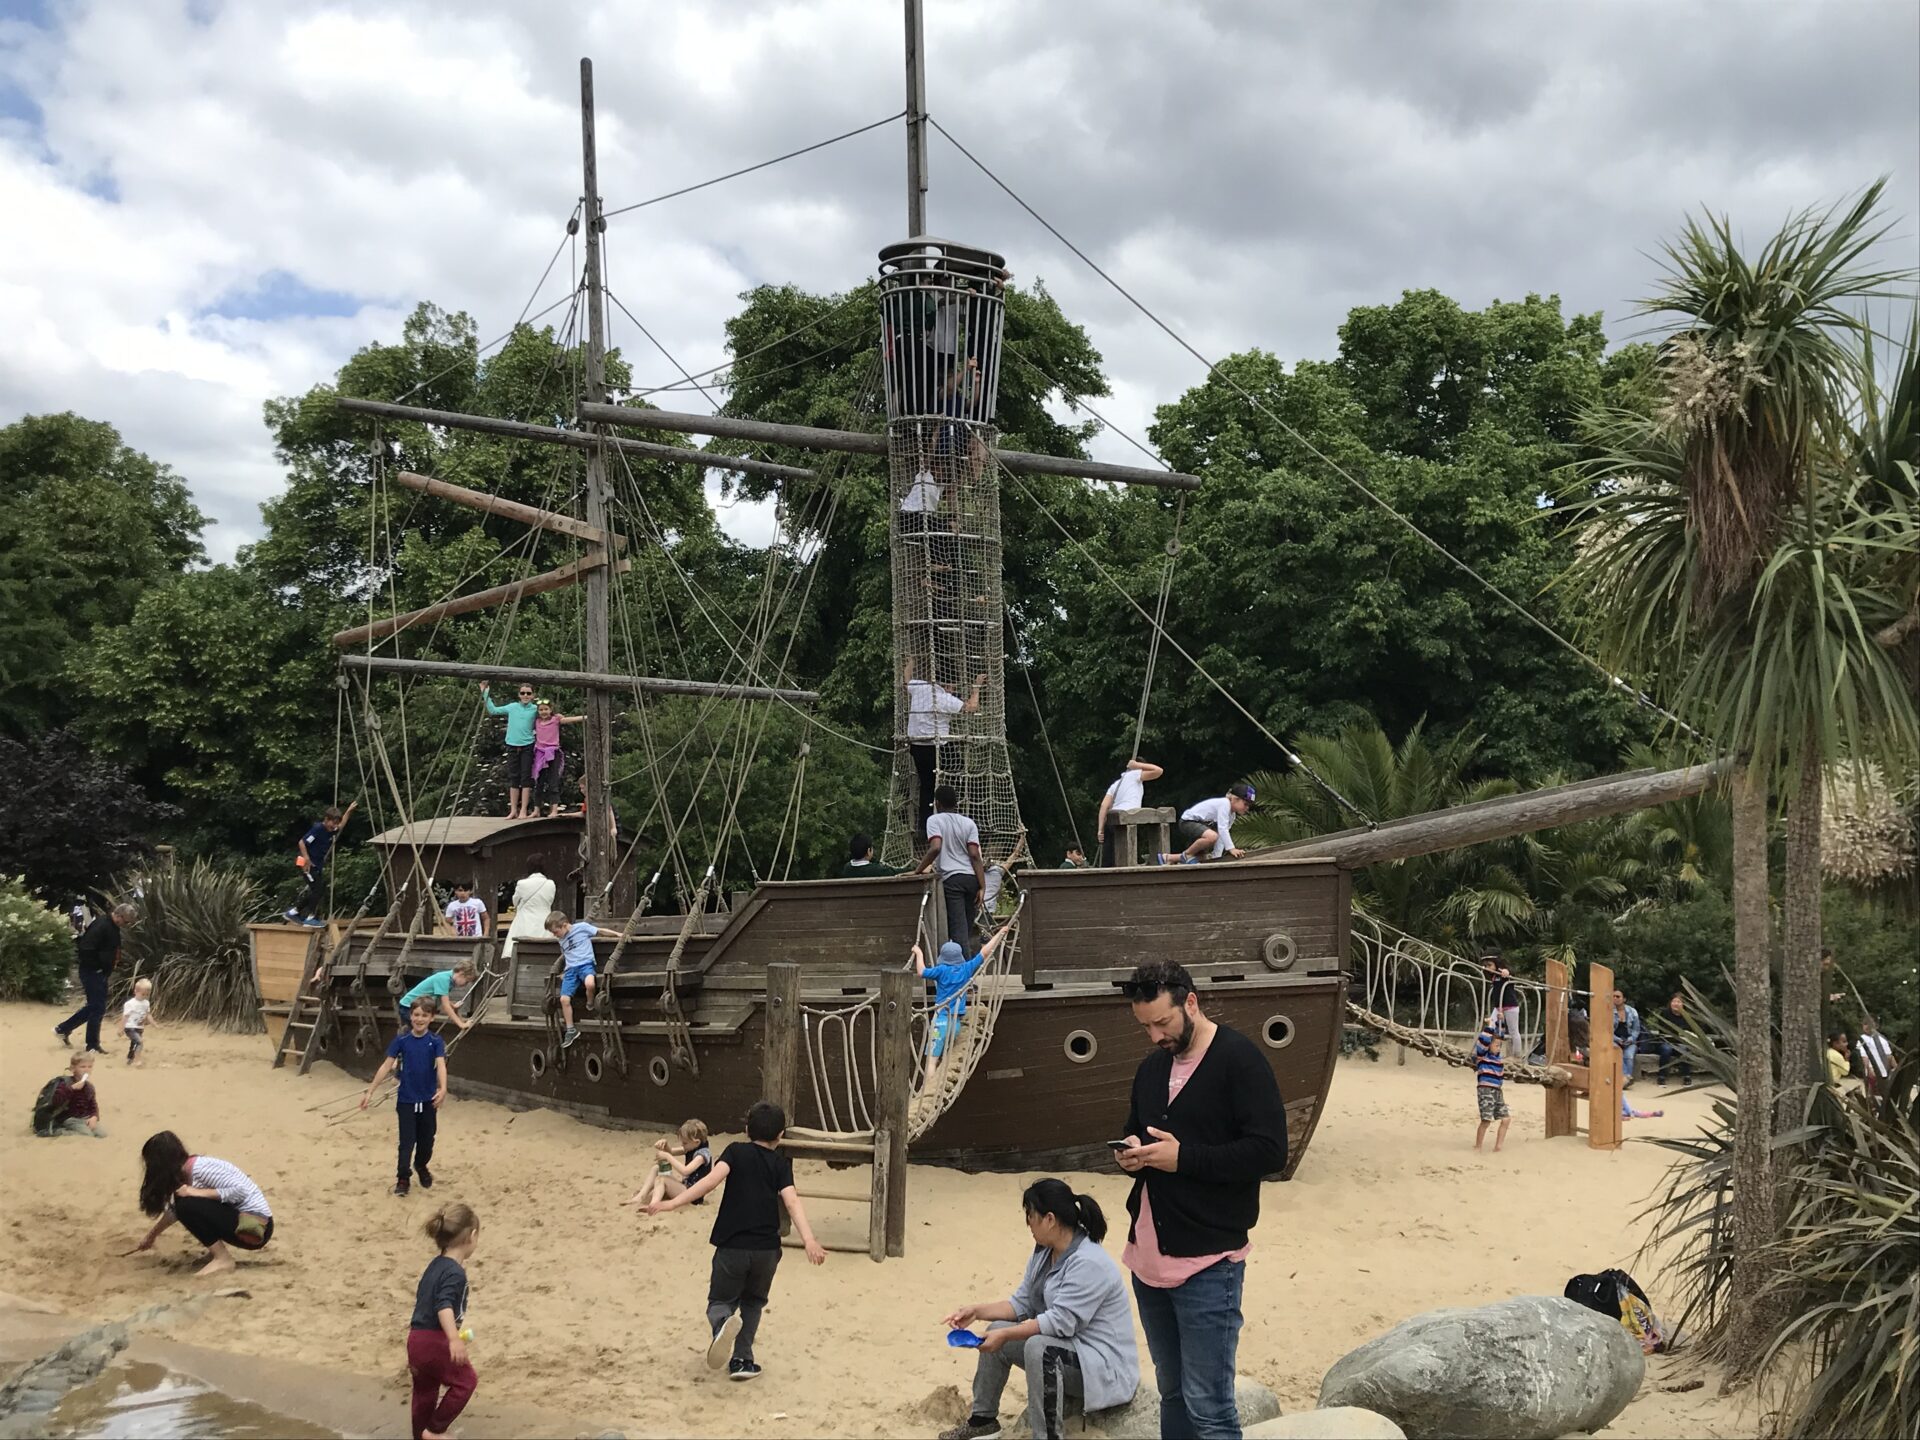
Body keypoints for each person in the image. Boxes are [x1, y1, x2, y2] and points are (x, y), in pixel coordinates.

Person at [1114, 961, 1287, 1440]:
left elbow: (1271, 1152)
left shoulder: (1240, 1060)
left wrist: (1183, 1159)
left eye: (1162, 1023)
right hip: (1147, 1260)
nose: (1154, 1036)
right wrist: (1131, 1154)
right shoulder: (1151, 1068)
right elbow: (1136, 1127)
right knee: (1172, 1393)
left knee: (1210, 1408)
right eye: (1145, 1025)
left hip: (1209, 1262)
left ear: (1190, 1002)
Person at [939, 1179, 1141, 1440]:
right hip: (1067, 1351)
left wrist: (1007, 1336)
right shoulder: (1045, 1251)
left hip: (1102, 1366)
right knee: (996, 1329)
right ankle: (983, 1421)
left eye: (1030, 1216)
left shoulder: (1090, 1262)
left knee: (1038, 1347)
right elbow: (1021, 1303)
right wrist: (976, 1311)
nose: (1028, 1224)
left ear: (1049, 1219)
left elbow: (1060, 1323)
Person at [646, 1100, 827, 1382]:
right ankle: (742, 1360)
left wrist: (672, 1204)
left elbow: (708, 1183)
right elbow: (792, 1202)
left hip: (732, 1245)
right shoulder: (780, 1164)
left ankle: (721, 1326)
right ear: (780, 1135)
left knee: (720, 1300)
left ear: (746, 1130)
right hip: (767, 1250)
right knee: (753, 1302)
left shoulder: (735, 1151)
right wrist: (809, 1240)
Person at [132, 1131, 273, 1277]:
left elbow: (240, 1191)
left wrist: (195, 1192)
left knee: (186, 1205)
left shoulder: (200, 1169)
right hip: (241, 1220)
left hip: (255, 1227)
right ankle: (218, 1255)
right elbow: (175, 1211)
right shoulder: (185, 1172)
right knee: (184, 1204)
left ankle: (222, 1259)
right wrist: (151, 1236)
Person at [362, 999, 450, 1197]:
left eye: (424, 1015)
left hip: (428, 1100)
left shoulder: (435, 1042)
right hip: (406, 1101)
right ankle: (403, 1178)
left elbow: (441, 1065)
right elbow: (386, 1066)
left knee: (427, 1141)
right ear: (411, 1016)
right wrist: (370, 1091)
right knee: (406, 1142)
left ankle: (421, 1165)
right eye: (416, 1015)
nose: (419, 1019)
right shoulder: (401, 1041)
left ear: (431, 1018)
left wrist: (442, 1089)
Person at [913, 921, 1015, 1087]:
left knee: (932, 1060)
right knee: (947, 1058)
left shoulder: (940, 971)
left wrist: (918, 953)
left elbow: (921, 972)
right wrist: (1000, 934)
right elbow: (985, 952)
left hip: (941, 1021)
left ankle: (928, 1090)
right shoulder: (966, 969)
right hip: (956, 1024)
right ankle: (940, 1089)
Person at [409, 1202, 480, 1440]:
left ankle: (421, 1435)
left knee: (424, 1393)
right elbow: (444, 1306)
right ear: (472, 1236)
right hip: (435, 1340)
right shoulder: (454, 1272)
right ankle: (435, 1430)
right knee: (466, 1382)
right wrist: (453, 1339)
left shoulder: (435, 1265)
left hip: (416, 1339)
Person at [905, 658, 985, 839]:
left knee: (926, 785)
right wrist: (976, 687)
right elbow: (971, 707)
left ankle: (924, 827)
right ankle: (965, 815)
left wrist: (910, 662)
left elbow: (906, 681)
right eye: (953, 687)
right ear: (948, 685)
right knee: (960, 774)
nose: (954, 690)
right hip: (937, 747)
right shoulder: (945, 699)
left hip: (917, 745)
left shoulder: (921, 687)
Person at [55, 901, 137, 1053]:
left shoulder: (113, 927)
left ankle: (63, 1029)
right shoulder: (101, 925)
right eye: (125, 921)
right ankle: (92, 1044)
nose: (126, 924)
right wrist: (98, 967)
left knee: (95, 1006)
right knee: (97, 1007)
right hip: (92, 972)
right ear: (118, 915)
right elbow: (86, 948)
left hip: (100, 972)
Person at [917, 784, 986, 950]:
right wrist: (983, 886)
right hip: (971, 879)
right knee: (967, 930)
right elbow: (975, 855)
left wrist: (919, 869)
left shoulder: (934, 820)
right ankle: (968, 968)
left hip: (951, 880)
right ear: (956, 803)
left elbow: (936, 847)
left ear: (937, 803)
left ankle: (962, 974)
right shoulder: (968, 823)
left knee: (958, 932)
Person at [546, 911, 624, 1049]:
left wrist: (618, 935)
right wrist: (565, 970)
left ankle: (590, 1002)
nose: (554, 935)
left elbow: (600, 931)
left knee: (590, 983)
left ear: (564, 925)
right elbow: (566, 954)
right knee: (564, 999)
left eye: (555, 931)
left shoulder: (581, 927)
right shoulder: (561, 939)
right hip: (571, 970)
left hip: (585, 965)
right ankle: (571, 1030)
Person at [281, 801, 358, 927]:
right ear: (326, 819)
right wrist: (306, 859)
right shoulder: (318, 829)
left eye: (336, 823)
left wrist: (349, 811)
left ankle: (294, 912)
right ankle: (310, 917)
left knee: (317, 890)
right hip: (307, 865)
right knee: (317, 890)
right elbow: (302, 842)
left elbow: (342, 824)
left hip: (316, 866)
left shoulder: (331, 830)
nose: (335, 826)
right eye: (333, 822)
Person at [623, 1118, 715, 1210]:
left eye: (685, 1143)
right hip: (685, 1188)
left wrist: (667, 1157)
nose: (682, 1145)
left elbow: (685, 1171)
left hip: (693, 1195)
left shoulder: (702, 1155)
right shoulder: (692, 1147)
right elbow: (671, 1151)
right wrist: (665, 1145)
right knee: (657, 1168)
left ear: (696, 1142)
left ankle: (654, 1205)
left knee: (662, 1179)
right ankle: (640, 1197)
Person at [479, 680, 539, 820]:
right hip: (512, 745)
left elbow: (548, 715)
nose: (525, 695)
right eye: (522, 693)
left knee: (525, 778)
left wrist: (558, 717)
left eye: (528, 693)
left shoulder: (535, 709)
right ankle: (513, 810)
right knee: (513, 778)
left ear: (532, 695)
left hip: (527, 745)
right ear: (519, 695)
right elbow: (493, 710)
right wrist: (485, 691)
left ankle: (523, 809)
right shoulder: (512, 707)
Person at [1159, 783, 1255, 865]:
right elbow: (1222, 829)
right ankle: (1187, 854)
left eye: (1249, 805)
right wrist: (1232, 849)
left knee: (1203, 857)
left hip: (1203, 825)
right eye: (1245, 804)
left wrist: (1217, 857)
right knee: (1212, 836)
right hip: (1188, 822)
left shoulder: (1232, 815)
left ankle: (1168, 858)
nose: (1247, 808)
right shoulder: (1225, 804)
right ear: (1235, 799)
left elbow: (1222, 836)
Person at [1096, 758, 1165, 868]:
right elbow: (1158, 771)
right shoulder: (1135, 775)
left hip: (1112, 819)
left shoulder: (1116, 783)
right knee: (1125, 854)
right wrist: (1137, 765)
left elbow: (1104, 806)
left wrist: (1100, 829)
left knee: (1109, 855)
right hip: (1126, 819)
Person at [530, 699, 585, 817]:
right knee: (538, 782)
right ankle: (536, 810)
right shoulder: (536, 722)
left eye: (546, 709)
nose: (544, 712)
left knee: (553, 782)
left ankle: (554, 809)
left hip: (553, 753)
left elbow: (569, 720)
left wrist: (584, 717)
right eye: (541, 710)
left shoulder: (555, 720)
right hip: (540, 754)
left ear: (551, 710)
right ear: (538, 711)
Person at [397, 960, 479, 1033]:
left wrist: (453, 1006)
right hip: (408, 1007)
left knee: (420, 1033)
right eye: (467, 981)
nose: (466, 984)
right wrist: (461, 1024)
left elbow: (442, 997)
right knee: (420, 1034)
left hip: (418, 1007)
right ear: (461, 974)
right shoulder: (444, 979)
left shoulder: (449, 980)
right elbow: (445, 1005)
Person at [36, 1053, 105, 1137]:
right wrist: (72, 1089)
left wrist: (94, 1117)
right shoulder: (64, 1084)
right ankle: (59, 1132)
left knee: (102, 1134)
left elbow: (93, 1105)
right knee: (86, 1134)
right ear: (73, 1069)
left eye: (89, 1067)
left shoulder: (89, 1087)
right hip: (69, 1118)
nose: (86, 1070)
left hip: (85, 1118)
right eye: (82, 1067)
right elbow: (56, 1101)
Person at [1471, 1021, 1510, 1153]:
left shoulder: (1498, 1058)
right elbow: (1483, 1041)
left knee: (1506, 1119)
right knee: (1486, 1120)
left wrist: (1500, 1021)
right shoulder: (1483, 1056)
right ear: (1488, 1046)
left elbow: (1500, 1035)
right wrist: (1490, 1025)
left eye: (1500, 1046)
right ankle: (1478, 1146)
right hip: (1486, 1089)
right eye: (1496, 1045)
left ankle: (1498, 1146)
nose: (1499, 1048)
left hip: (1497, 1091)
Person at [502, 870, 556, 961]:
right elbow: (551, 901)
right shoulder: (550, 884)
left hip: (525, 921)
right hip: (545, 921)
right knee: (545, 951)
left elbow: (515, 901)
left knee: (520, 950)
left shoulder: (522, 884)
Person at [1481, 954, 1521, 1057]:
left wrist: (1507, 972)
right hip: (1498, 1007)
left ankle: (1517, 1056)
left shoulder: (1503, 973)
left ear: (1496, 964)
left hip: (1510, 1006)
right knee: (1491, 1027)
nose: (1487, 968)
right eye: (1486, 966)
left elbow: (1511, 973)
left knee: (1513, 1031)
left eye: (1489, 965)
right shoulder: (1493, 976)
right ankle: (1486, 1051)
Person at [1655, 994, 1692, 1086]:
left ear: (1683, 1004)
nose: (1676, 1004)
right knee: (1666, 1049)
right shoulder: (1664, 1013)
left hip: (1682, 1042)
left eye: (1679, 1002)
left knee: (1685, 1050)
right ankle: (1662, 1076)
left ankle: (1686, 1075)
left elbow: (1689, 1031)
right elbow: (1663, 1029)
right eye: (1674, 1001)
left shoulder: (1687, 1016)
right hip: (1666, 1041)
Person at [1856, 1016, 1895, 1105]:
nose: (1867, 1026)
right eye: (1865, 1024)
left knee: (1884, 1093)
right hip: (1872, 1071)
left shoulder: (1882, 1039)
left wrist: (1896, 1068)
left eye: (1870, 1024)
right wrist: (1869, 1069)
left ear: (1876, 1026)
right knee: (1871, 1094)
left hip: (1884, 1071)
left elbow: (1889, 1055)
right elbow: (1864, 1056)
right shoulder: (1862, 1039)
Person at [1612, 990, 1641, 1087]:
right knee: (1617, 1053)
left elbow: (1636, 1029)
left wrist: (1631, 1039)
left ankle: (1626, 1079)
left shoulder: (1632, 1012)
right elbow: (1606, 1030)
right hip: (1614, 1040)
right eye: (1613, 996)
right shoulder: (1608, 1011)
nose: (1615, 998)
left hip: (1629, 1040)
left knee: (1628, 1056)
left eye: (1617, 996)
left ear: (1624, 999)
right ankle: (1626, 1078)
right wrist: (1617, 1039)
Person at [121, 976, 153, 1066]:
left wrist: (153, 1023)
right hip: (130, 1027)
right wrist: (121, 1028)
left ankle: (130, 1058)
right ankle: (137, 1060)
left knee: (134, 1043)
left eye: (147, 995)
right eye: (143, 994)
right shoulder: (130, 1004)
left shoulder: (146, 1003)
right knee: (140, 1042)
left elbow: (148, 1014)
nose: (145, 997)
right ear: (136, 991)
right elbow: (125, 1016)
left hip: (139, 1027)